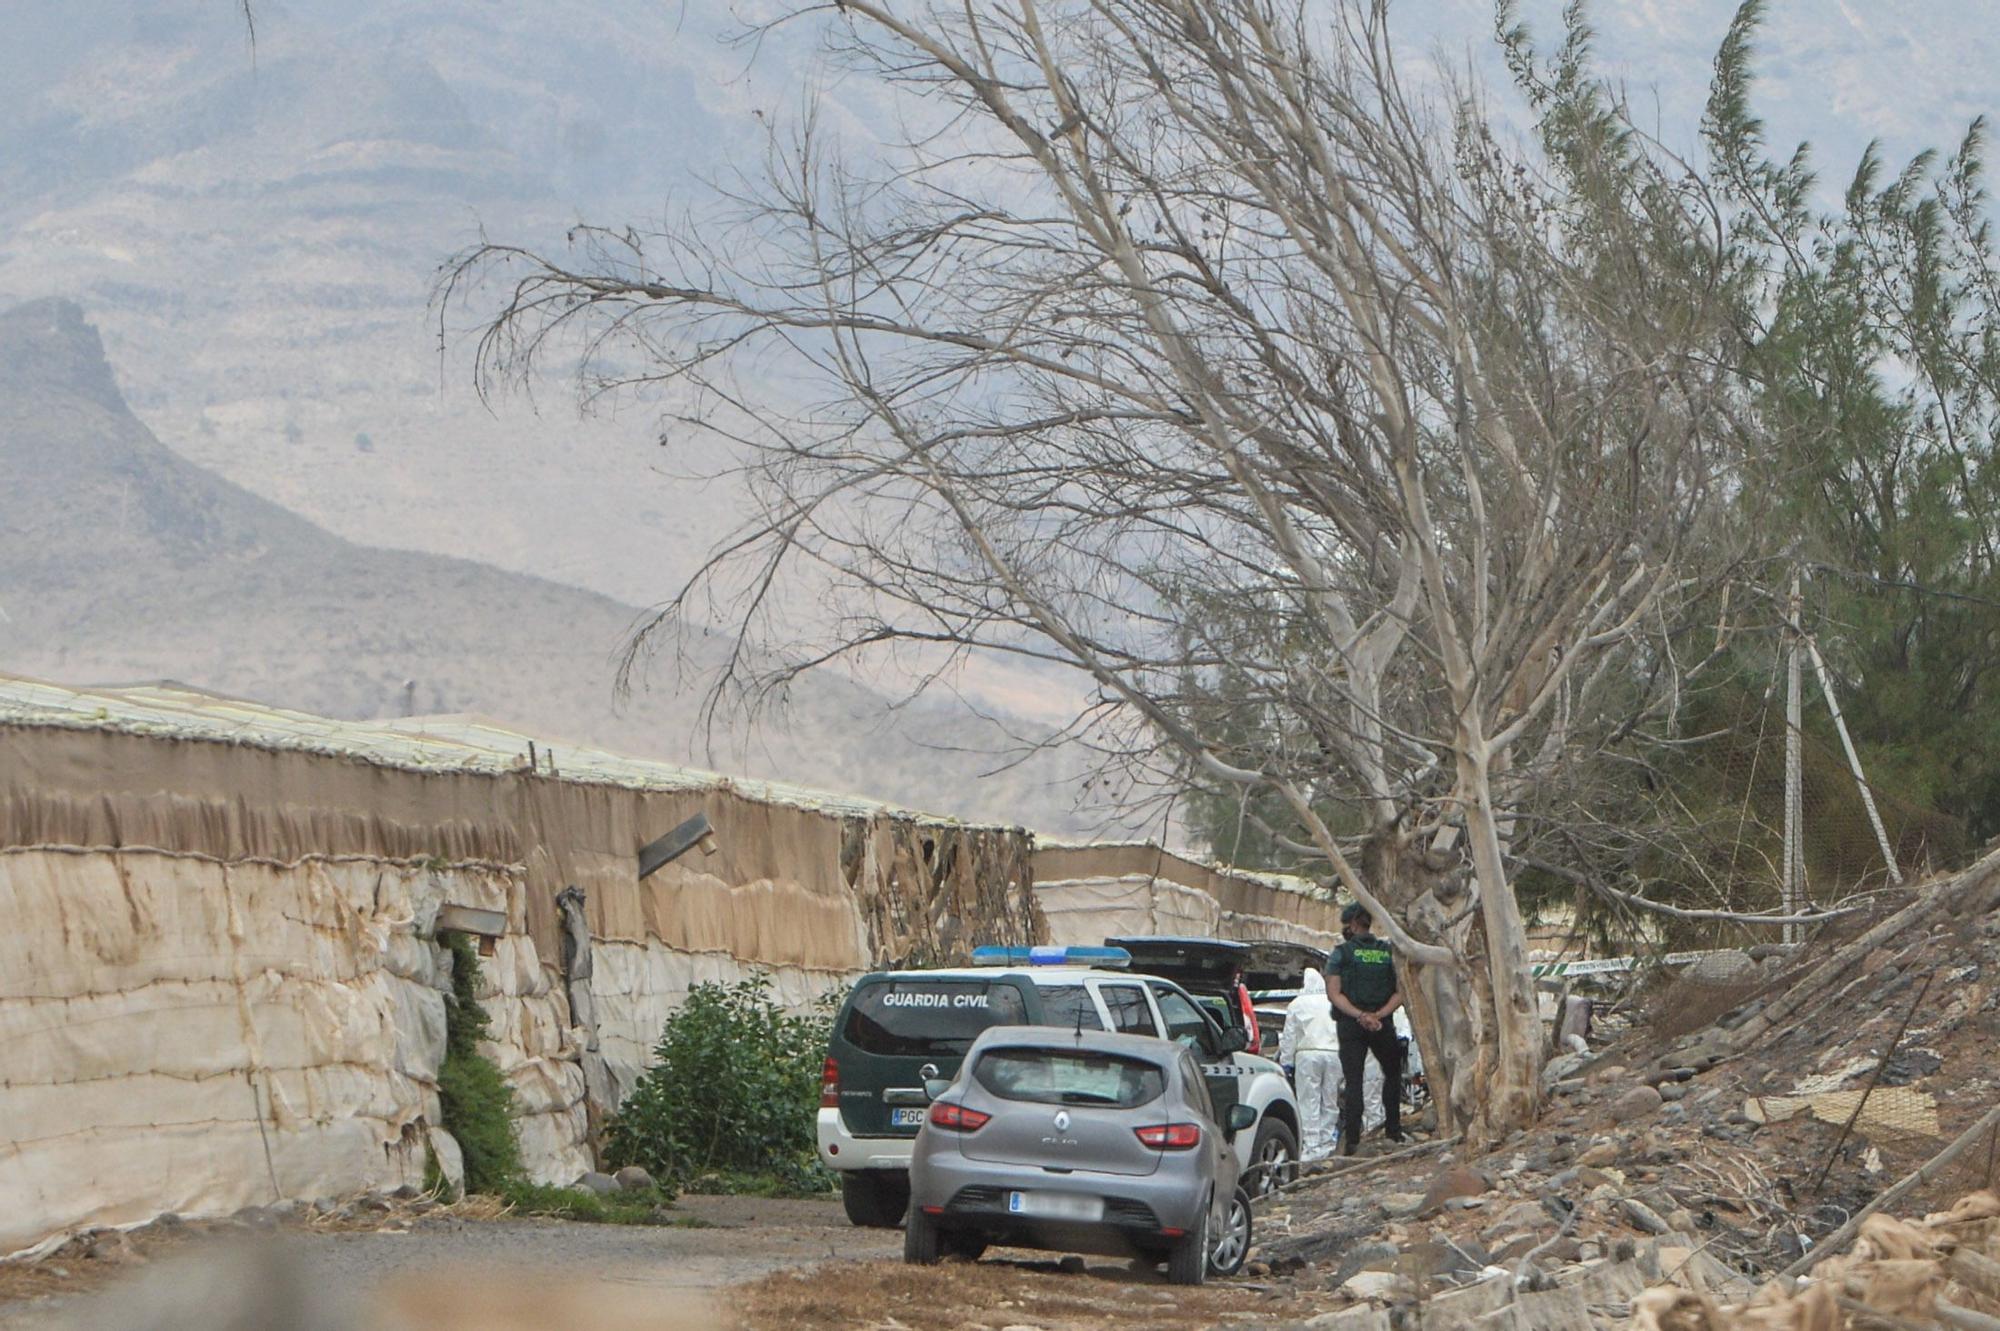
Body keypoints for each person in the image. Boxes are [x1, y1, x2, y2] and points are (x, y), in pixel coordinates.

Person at [1328, 901, 1403, 1155]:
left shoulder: (1342, 953)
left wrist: (1361, 1016)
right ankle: (1394, 1130)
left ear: (1351, 925)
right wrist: (1379, 1015)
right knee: (1392, 1073)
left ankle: (1352, 1141)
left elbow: (1334, 993)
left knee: (1354, 1080)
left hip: (1351, 1024)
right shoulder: (1387, 951)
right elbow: (1402, 991)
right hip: (1383, 1022)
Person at [1277, 969, 1341, 1161]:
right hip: (1334, 1053)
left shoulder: (1297, 1004)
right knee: (1330, 1100)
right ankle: (1327, 1142)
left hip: (1307, 1054)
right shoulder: (1334, 1000)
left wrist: (1286, 1062)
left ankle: (1311, 1145)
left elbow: (1290, 1036)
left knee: (1308, 1100)